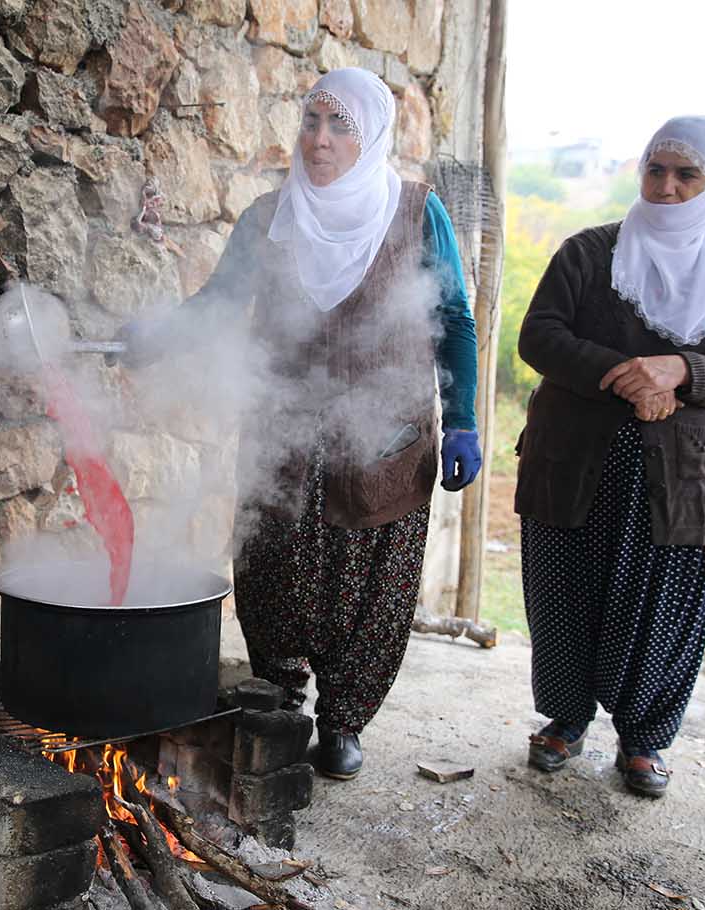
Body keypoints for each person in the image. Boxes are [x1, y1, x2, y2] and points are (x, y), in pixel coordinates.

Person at [120, 68, 481, 780]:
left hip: (386, 441)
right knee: (271, 577)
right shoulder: (268, 216)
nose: (320, 139)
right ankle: (278, 707)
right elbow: (220, 304)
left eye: (339, 124)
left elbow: (455, 319)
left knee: (371, 590)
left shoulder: (417, 213)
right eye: (311, 122)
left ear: (370, 135)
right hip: (281, 437)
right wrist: (156, 334)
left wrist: (464, 419)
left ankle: (344, 722)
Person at [515, 116, 705, 797]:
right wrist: (627, 372)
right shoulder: (589, 253)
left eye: (687, 175)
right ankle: (565, 719)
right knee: (564, 593)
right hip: (575, 465)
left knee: (661, 603)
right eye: (655, 170)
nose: (666, 186)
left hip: (674, 478)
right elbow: (539, 336)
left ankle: (645, 740)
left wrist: (681, 372)